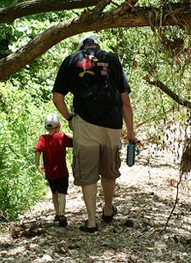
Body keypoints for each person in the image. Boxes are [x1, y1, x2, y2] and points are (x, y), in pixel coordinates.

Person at [52, 34, 136, 233]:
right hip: (112, 124)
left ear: (82, 47)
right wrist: (130, 132)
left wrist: (70, 119)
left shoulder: (70, 61)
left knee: (88, 172)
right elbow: (125, 101)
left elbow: (57, 98)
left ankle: (91, 221)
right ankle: (107, 209)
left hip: (85, 123)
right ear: (97, 46)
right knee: (109, 169)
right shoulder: (112, 59)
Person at [35, 113, 73, 227]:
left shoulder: (43, 138)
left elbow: (37, 150)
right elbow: (75, 142)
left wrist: (38, 164)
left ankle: (57, 213)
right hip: (62, 172)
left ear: (46, 127)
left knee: (54, 193)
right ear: (59, 126)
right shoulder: (62, 137)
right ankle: (62, 214)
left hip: (50, 173)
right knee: (62, 193)